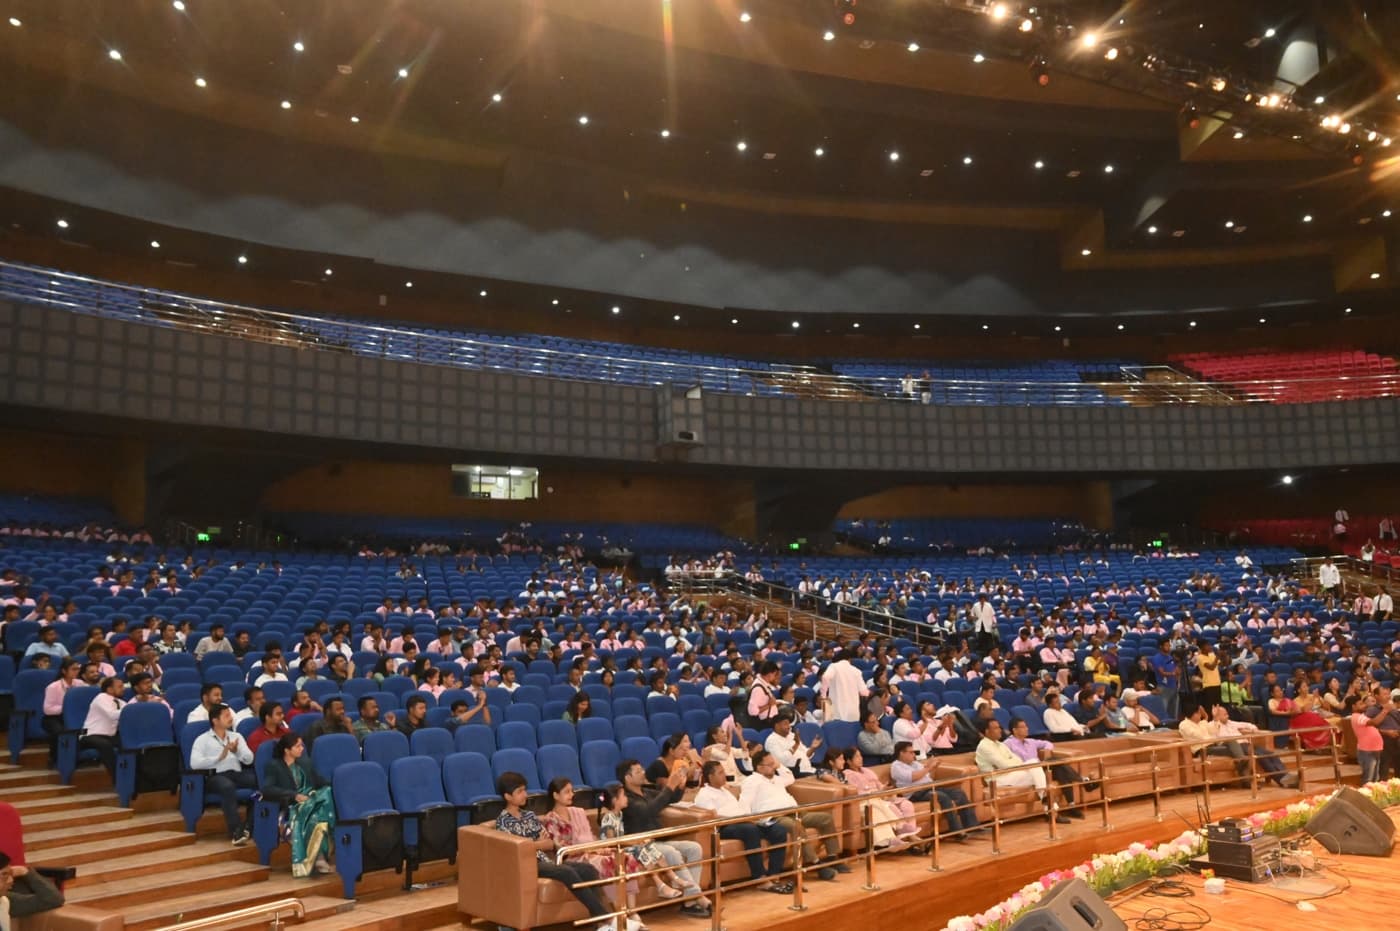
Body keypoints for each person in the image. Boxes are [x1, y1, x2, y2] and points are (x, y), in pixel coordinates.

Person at [495, 772, 615, 931]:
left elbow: (549, 843)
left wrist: (535, 843)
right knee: (565, 871)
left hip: (544, 859)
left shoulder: (529, 816)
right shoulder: (502, 821)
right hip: (526, 864)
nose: (525, 794)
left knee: (589, 870)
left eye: (525, 789)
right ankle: (606, 918)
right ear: (507, 797)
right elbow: (516, 849)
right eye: (520, 791)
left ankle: (597, 924)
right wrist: (537, 843)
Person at [540, 779, 648, 927]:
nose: (571, 794)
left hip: (593, 850)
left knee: (624, 858)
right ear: (555, 795)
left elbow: (590, 837)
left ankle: (633, 911)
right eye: (566, 792)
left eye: (572, 791)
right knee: (607, 863)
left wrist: (598, 848)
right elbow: (560, 848)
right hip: (574, 858)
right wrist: (592, 849)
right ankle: (619, 915)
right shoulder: (551, 819)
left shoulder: (578, 812)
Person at [616, 759, 711, 916]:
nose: (644, 773)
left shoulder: (646, 792)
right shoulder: (626, 799)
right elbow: (648, 811)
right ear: (627, 778)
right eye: (638, 771)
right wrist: (670, 786)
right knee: (670, 852)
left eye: (642, 769)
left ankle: (689, 901)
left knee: (694, 848)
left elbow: (671, 798)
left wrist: (680, 785)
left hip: (660, 839)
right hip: (643, 844)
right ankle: (697, 895)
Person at [739, 750, 844, 881]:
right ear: (759, 767)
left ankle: (833, 858)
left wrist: (779, 765)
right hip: (776, 817)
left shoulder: (776, 778)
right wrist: (753, 821)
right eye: (770, 764)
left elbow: (790, 777)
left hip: (796, 812)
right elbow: (744, 803)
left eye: (774, 763)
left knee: (826, 818)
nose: (774, 766)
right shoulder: (751, 781)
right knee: (796, 827)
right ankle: (816, 866)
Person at [693, 761, 792, 893]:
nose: (724, 775)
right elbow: (713, 818)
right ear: (710, 777)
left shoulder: (725, 790)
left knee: (778, 830)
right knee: (750, 830)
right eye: (720, 773)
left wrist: (751, 818)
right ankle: (760, 878)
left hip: (743, 821)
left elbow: (739, 809)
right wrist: (739, 819)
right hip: (724, 827)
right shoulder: (705, 794)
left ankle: (774, 875)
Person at [261, 734, 334, 877]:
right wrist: (293, 795)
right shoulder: (274, 766)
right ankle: (318, 859)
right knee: (316, 818)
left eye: (302, 745)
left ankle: (319, 858)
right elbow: (267, 789)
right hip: (290, 807)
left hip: (311, 801)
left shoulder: (305, 763)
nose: (302, 748)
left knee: (327, 793)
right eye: (298, 746)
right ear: (287, 750)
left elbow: (320, 782)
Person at [1001, 718, 1097, 819]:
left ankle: (1072, 806)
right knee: (1055, 761)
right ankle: (1083, 781)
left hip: (1040, 768)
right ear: (1015, 730)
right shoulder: (1008, 744)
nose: (1027, 728)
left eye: (1026, 726)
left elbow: (1048, 743)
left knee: (1060, 770)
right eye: (1023, 727)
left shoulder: (1030, 741)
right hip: (1026, 772)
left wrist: (1046, 751)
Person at [189, 703, 256, 844]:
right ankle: (236, 831)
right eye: (226, 715)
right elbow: (194, 764)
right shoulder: (202, 740)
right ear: (215, 720)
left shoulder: (236, 736)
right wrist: (220, 756)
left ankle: (249, 825)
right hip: (215, 776)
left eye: (230, 714)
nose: (230, 718)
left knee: (259, 781)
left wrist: (236, 751)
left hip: (235, 773)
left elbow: (249, 759)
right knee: (227, 786)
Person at [974, 719, 1063, 821]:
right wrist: (1009, 763)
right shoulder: (984, 746)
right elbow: (1004, 765)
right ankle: (1050, 806)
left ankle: (1049, 807)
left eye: (999, 727)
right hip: (996, 779)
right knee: (1035, 768)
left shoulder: (1000, 744)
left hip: (1010, 774)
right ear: (986, 731)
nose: (1000, 730)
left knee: (1035, 767)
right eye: (996, 728)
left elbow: (1017, 760)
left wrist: (1010, 763)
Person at [890, 740, 981, 837]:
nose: (913, 755)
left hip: (930, 787)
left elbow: (929, 777)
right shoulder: (896, 766)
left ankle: (972, 826)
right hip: (915, 793)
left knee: (959, 793)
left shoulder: (915, 764)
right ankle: (956, 831)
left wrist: (933, 768)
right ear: (901, 753)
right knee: (943, 797)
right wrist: (928, 768)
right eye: (911, 752)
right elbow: (913, 777)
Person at [837, 748, 919, 848]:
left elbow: (879, 785)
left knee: (906, 804)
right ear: (849, 761)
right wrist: (878, 792)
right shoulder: (848, 774)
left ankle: (909, 833)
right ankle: (906, 834)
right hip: (869, 800)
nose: (861, 759)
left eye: (861, 756)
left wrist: (885, 788)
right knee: (886, 806)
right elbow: (858, 793)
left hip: (882, 797)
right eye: (857, 757)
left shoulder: (867, 771)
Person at [1208, 706, 1298, 788]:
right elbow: (1216, 737)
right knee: (1260, 755)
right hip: (1236, 747)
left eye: (1227, 714)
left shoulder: (1231, 723)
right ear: (1218, 715)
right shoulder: (1213, 725)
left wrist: (1253, 730)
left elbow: (1249, 724)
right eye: (1224, 714)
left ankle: (1286, 775)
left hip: (1246, 744)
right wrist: (1215, 719)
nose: (1227, 716)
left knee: (1269, 753)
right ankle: (1282, 780)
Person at [0, 848, 64, 926]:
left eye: (11, 874)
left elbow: (53, 899)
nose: (11, 880)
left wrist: (25, 872)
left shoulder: (5, 901)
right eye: (4, 874)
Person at [79, 675, 125, 777]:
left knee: (128, 742)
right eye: (120, 686)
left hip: (109, 736)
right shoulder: (101, 698)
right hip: (91, 735)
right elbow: (112, 714)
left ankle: (129, 774)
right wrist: (130, 709)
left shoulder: (120, 702)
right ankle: (117, 777)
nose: (123, 689)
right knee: (105, 745)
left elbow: (130, 711)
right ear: (109, 689)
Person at [764, 713, 821, 777]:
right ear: (776, 725)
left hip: (808, 770)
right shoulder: (772, 740)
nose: (789, 726)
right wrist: (795, 745)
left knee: (829, 774)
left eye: (789, 724)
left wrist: (813, 748)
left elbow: (806, 755)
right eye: (785, 724)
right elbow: (781, 760)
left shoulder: (791, 736)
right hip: (792, 773)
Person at [1349, 693, 1390, 784]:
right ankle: (1365, 796)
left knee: (1375, 778)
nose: (1364, 705)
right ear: (1353, 706)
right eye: (1360, 704)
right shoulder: (1357, 717)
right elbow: (1375, 722)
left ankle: (1373, 797)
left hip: (1374, 749)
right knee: (1368, 779)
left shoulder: (1362, 716)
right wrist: (1385, 710)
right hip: (1367, 751)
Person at [818, 652, 868, 723]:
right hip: (853, 712)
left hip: (837, 710)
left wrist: (823, 696)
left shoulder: (834, 666)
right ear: (849, 659)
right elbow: (864, 692)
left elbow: (825, 677)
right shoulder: (856, 671)